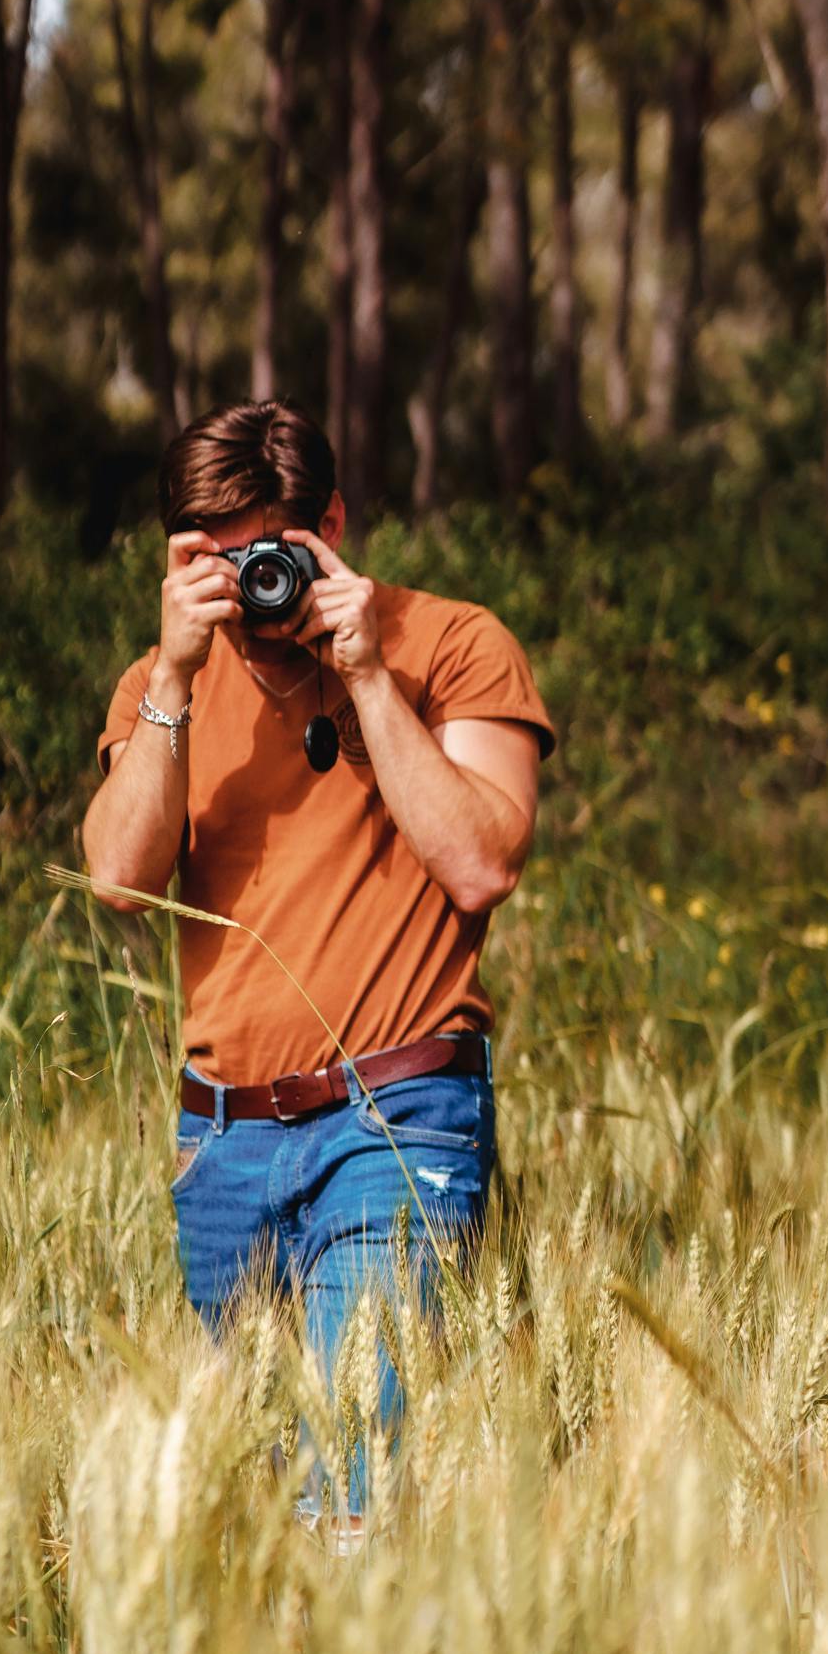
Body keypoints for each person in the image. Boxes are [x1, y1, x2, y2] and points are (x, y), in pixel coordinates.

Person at [82, 400, 556, 1546]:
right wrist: (175, 681)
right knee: (258, 1508)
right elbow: (116, 879)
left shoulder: (450, 644)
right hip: (222, 1144)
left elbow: (480, 860)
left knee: (349, 1487)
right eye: (209, 557)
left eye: (266, 553)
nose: (246, 587)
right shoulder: (163, 686)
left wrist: (367, 678)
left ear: (330, 524)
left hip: (394, 1121)